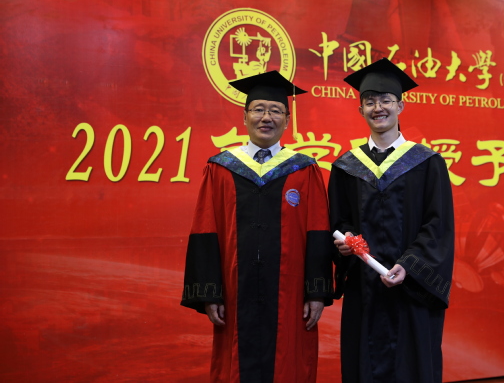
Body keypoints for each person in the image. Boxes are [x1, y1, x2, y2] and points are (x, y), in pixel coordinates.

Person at [181, 71, 334, 383]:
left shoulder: (304, 170)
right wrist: (210, 292)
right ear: (245, 116)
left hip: (290, 293)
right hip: (235, 291)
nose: (267, 117)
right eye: (259, 109)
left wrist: (316, 292)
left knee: (288, 363)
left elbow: (318, 231)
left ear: (287, 120)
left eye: (275, 110)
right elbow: (206, 230)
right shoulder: (221, 168)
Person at [328, 58, 455, 383]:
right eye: (370, 101)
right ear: (360, 110)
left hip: (410, 291)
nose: (378, 108)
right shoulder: (346, 167)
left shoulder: (427, 163)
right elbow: (338, 221)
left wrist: (409, 266)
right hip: (365, 289)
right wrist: (344, 245)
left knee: (411, 365)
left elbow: (437, 225)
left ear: (400, 105)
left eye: (385, 100)